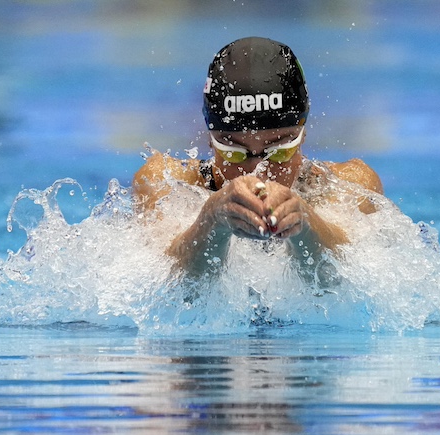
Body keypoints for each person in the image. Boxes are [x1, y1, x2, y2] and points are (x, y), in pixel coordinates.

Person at [132, 37, 385, 285]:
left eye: (278, 151)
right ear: (210, 138)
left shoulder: (349, 185)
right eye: (234, 152)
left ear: (303, 132)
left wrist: (305, 221)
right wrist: (212, 216)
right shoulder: (167, 182)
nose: (257, 171)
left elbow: (346, 286)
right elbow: (167, 287)